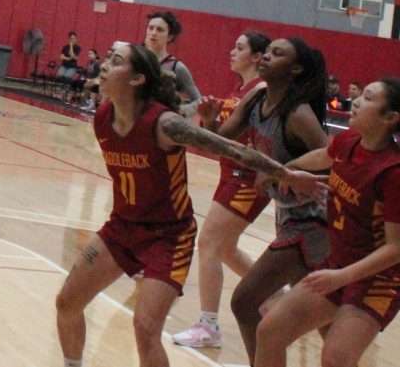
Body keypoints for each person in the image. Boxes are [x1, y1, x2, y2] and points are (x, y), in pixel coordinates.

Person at [54, 42, 323, 367]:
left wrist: (284, 172)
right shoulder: (102, 118)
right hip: (121, 228)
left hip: (168, 237)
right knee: (67, 302)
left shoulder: (165, 124)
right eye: (107, 58)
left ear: (137, 79)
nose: (105, 64)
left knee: (145, 328)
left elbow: (232, 149)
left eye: (116, 60)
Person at [254, 78, 400, 367]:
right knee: (270, 332)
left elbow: (396, 249)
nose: (355, 101)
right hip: (338, 263)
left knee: (336, 358)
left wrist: (343, 277)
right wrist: (290, 170)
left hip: (379, 279)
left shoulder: (393, 174)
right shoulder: (349, 140)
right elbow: (325, 156)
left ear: (390, 118)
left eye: (368, 98)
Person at [222, 37, 331, 364]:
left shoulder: (297, 113)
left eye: (277, 54)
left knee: (244, 301)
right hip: (289, 220)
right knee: (332, 331)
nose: (267, 56)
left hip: (315, 224)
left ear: (295, 69)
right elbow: (222, 139)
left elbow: (333, 158)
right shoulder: (256, 100)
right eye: (267, 52)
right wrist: (208, 120)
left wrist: (285, 171)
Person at [172, 31, 270, 348]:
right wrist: (208, 120)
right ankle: (273, 295)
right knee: (225, 248)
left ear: (257, 57)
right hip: (231, 172)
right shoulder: (240, 89)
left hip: (248, 178)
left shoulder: (262, 91)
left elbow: (264, 141)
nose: (232, 51)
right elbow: (220, 143)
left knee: (210, 242)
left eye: (239, 48)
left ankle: (209, 326)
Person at [143, 10, 201, 107]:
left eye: (159, 29)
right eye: (151, 28)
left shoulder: (177, 67)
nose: (153, 33)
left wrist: (181, 111)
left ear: (170, 36)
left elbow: (198, 100)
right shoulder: (134, 58)